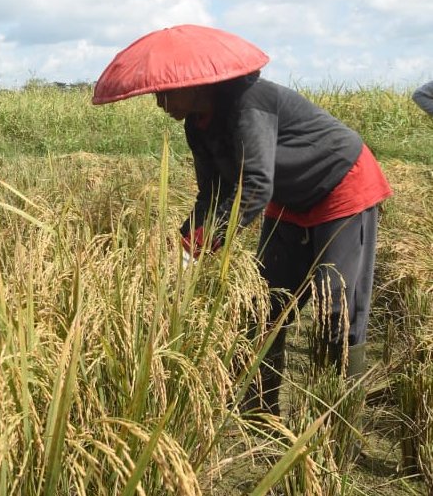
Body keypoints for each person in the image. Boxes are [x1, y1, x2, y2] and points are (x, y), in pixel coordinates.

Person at [93, 25, 392, 417]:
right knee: (263, 306)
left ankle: (335, 421)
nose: (159, 101)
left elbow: (254, 187)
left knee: (335, 310)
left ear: (197, 83)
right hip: (287, 200)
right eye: (155, 93)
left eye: (166, 91)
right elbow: (211, 195)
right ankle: (260, 413)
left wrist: (203, 248)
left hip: (340, 188)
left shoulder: (251, 104)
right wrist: (182, 247)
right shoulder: (197, 126)